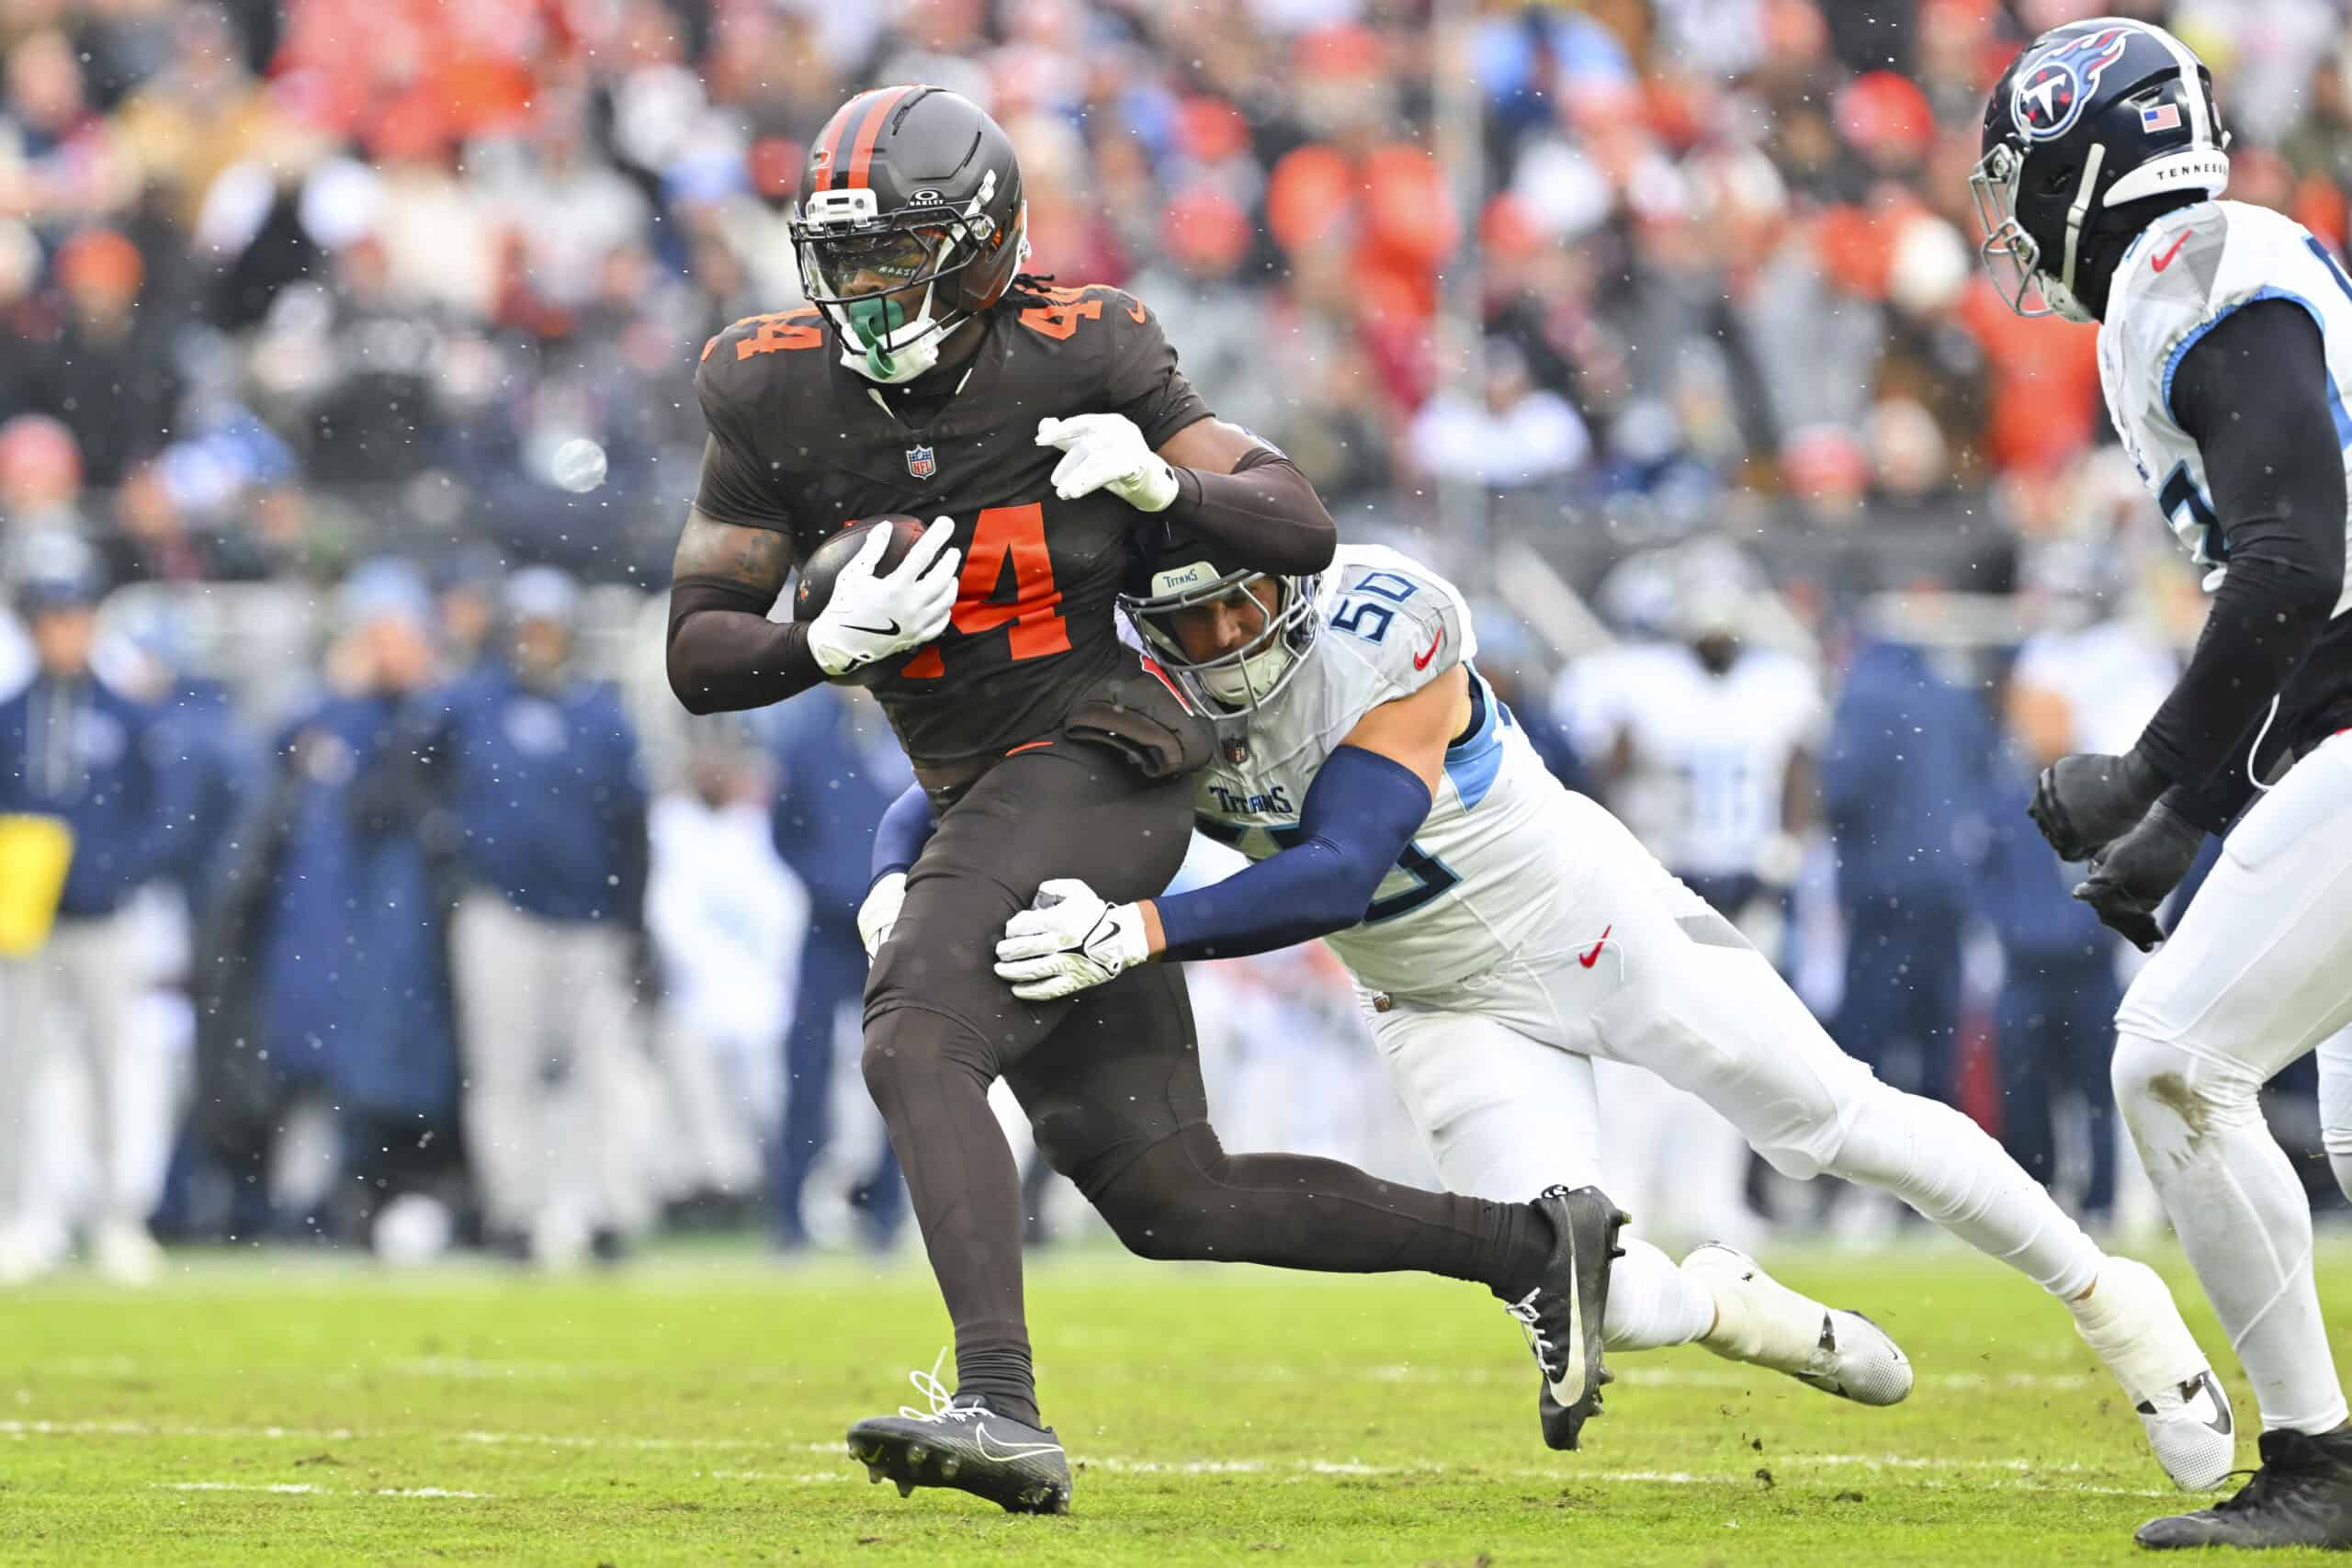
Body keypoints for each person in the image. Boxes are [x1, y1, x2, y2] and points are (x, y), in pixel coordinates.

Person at [664, 85, 1609, 1516]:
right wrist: (817, 649)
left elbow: (1302, 523)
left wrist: (1167, 485)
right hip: (976, 786)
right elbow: (699, 652)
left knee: (917, 1038)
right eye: (841, 258)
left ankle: (999, 1400)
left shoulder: (1083, 346)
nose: (862, 291)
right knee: (1172, 1193)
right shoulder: (767, 385)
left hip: (1110, 747)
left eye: (894, 254)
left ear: (981, 248)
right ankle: (1532, 1246)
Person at [978, 530, 2236, 1496]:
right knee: (1602, 1292)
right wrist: (899, 876)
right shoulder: (1139, 692)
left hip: (1587, 920)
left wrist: (1141, 928)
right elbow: (982, 775)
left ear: (1296, 586)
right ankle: (1741, 1307)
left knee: (1837, 1116)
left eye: (1240, 605)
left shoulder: (1384, 623)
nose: (1219, 642)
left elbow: (1341, 865)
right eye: (1185, 620)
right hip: (1438, 1000)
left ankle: (2114, 1301)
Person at [1981, 17, 2352, 1548]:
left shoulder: (2197, 268)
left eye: (2024, 179)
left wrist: (2164, 788)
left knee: (2177, 1062)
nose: (2013, 221)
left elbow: (2291, 563)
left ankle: (2322, 1463)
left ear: (2086, 157)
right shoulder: (2216, 261)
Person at [408, 566, 652, 1265]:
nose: (540, 643)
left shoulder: (602, 718)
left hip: (591, 916)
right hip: (502, 913)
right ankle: (514, 1212)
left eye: (551, 629)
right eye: (529, 629)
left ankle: (608, 1210)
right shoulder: (469, 706)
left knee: (604, 1071)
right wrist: (452, 866)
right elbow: (415, 775)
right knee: (502, 1070)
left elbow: (632, 827)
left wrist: (635, 919)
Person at [0, 540, 177, 1283]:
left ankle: (117, 1217)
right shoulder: (10, 716)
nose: (62, 631)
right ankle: (19, 1214)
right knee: (16, 1072)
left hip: (104, 919)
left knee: (115, 1067)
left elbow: (157, 813)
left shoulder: (126, 717)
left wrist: (111, 871)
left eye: (72, 616)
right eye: (50, 617)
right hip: (24, 925)